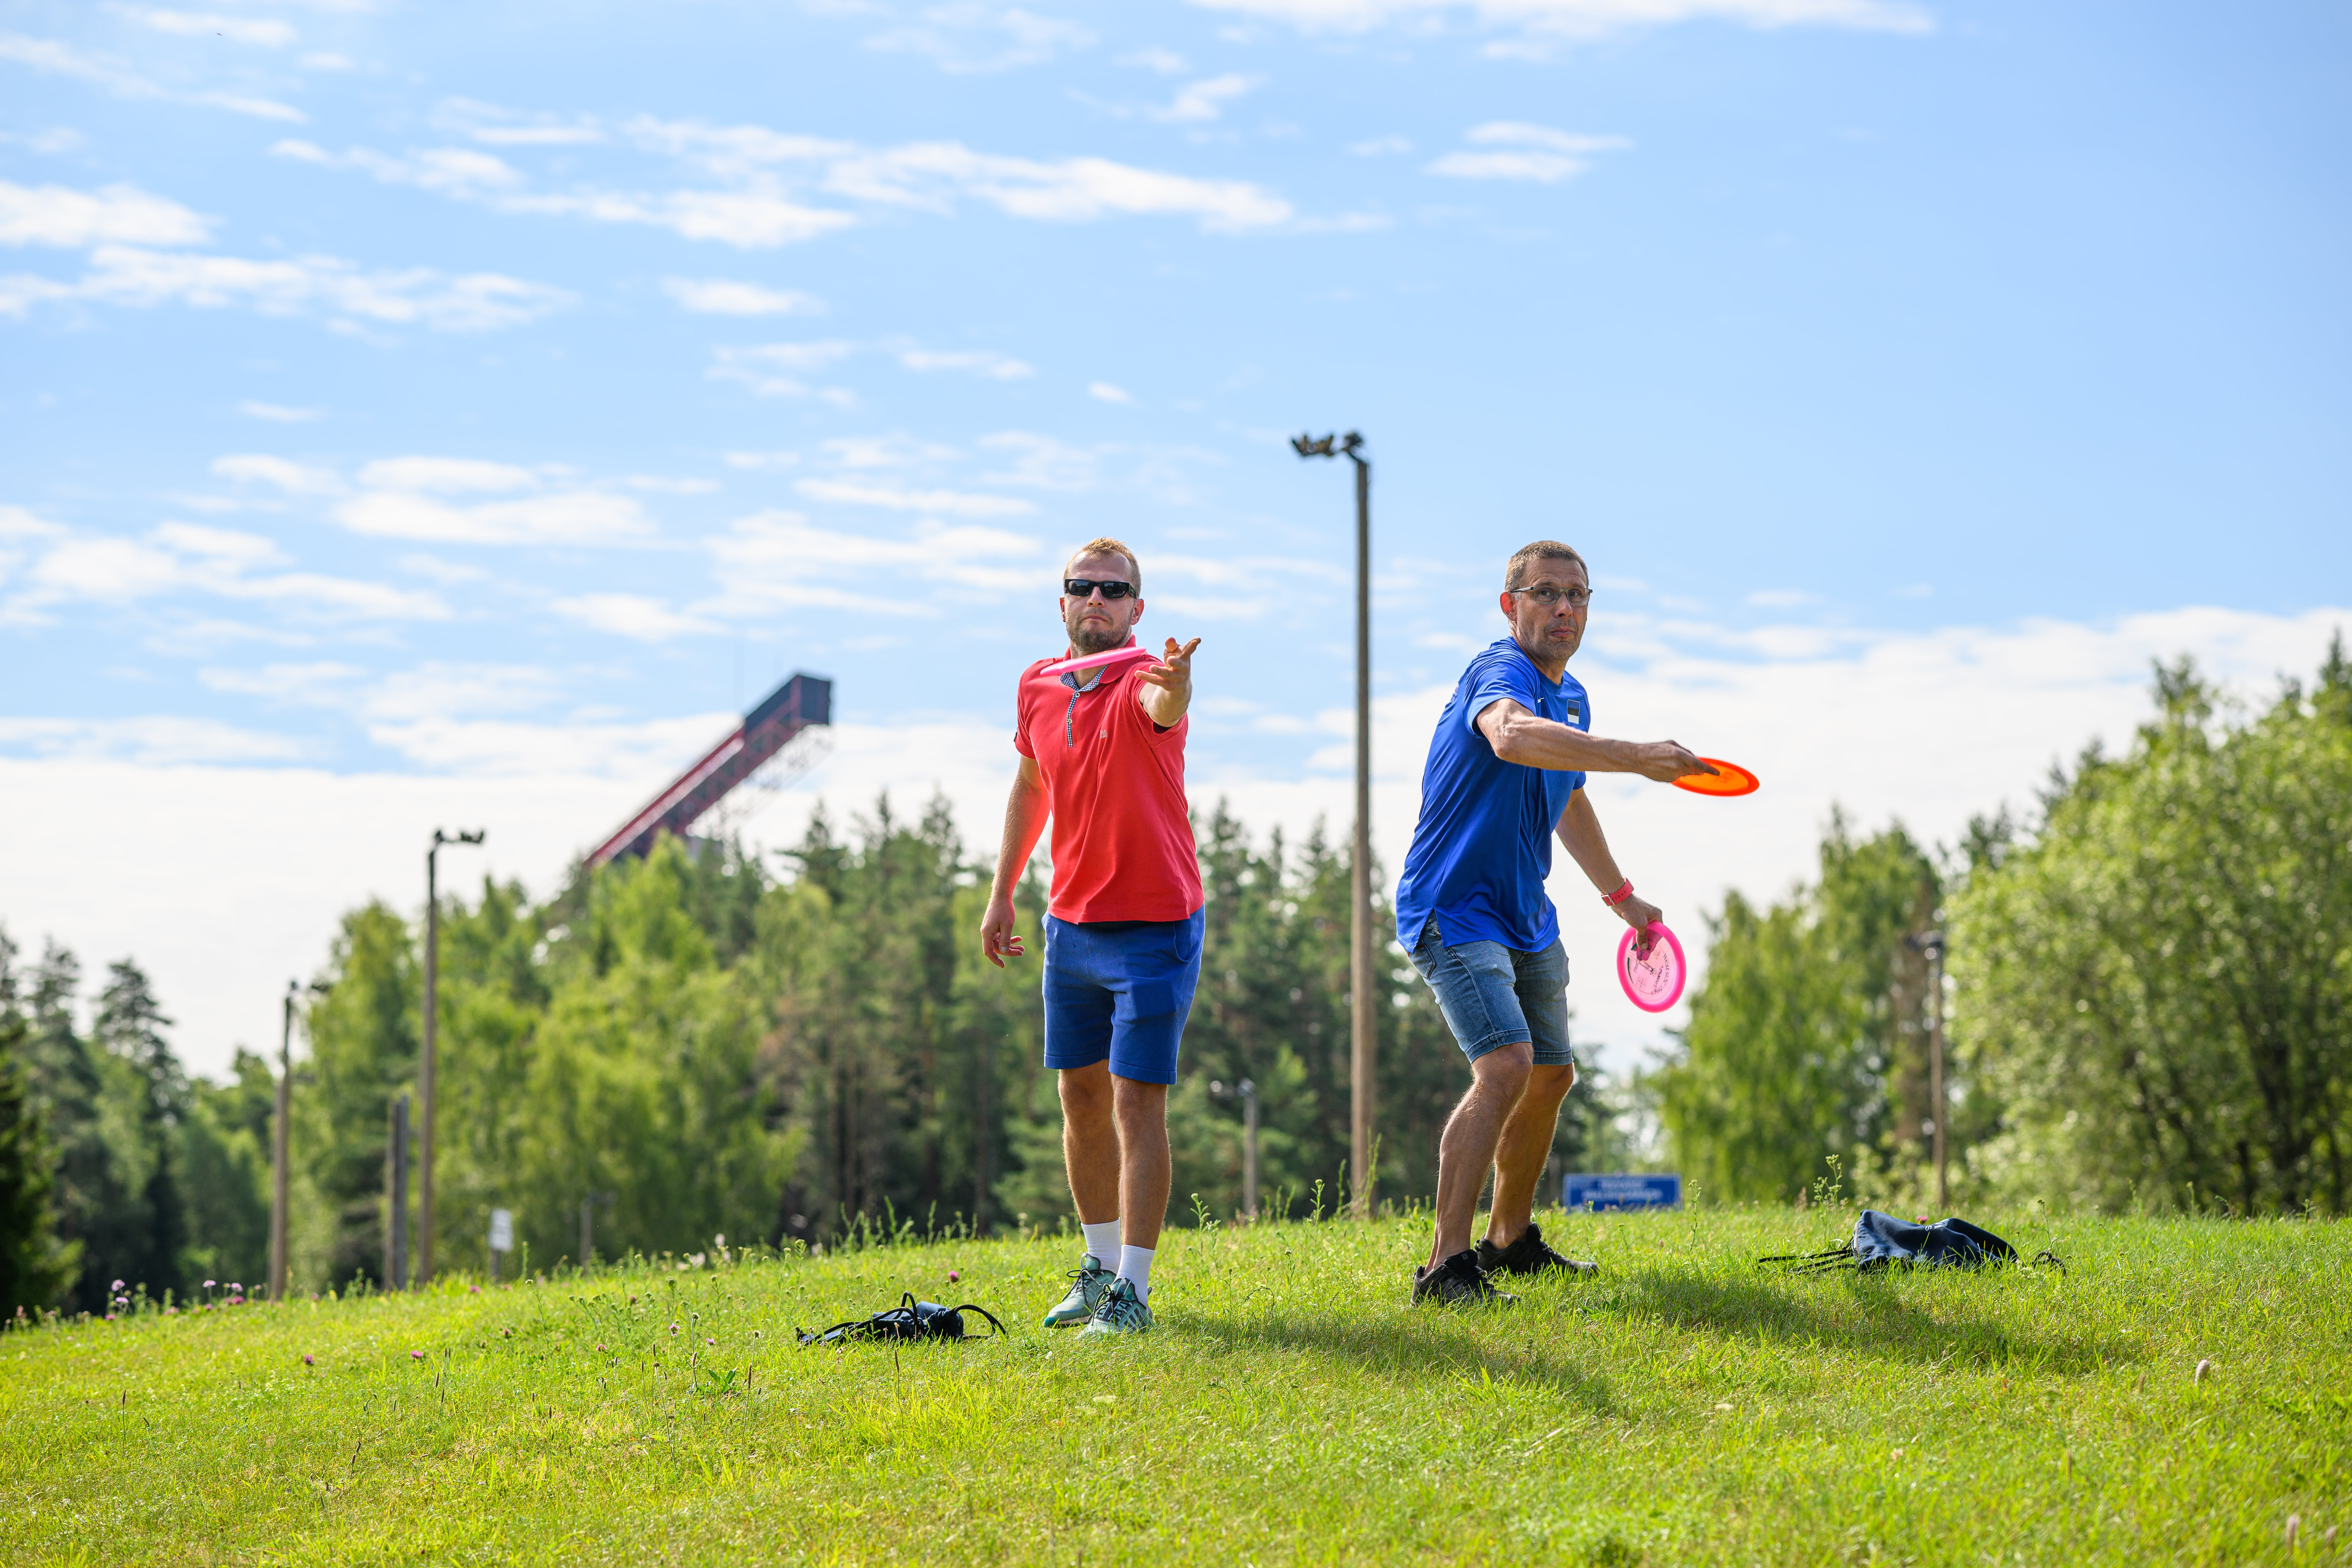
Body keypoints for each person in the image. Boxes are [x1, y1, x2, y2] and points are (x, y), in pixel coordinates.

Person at [1394, 540, 1711, 1306]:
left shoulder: (1574, 700)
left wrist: (1621, 896)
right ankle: (1445, 1267)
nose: (1564, 608)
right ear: (1511, 606)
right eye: (1545, 593)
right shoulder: (1498, 672)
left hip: (1526, 914)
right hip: (1453, 907)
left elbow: (1567, 797)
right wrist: (1636, 756)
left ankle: (1508, 1241)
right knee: (1505, 1066)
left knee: (1551, 1074)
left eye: (1577, 595)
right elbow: (1509, 736)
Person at [980, 537, 1203, 1337]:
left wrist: (1177, 686)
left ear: (1137, 608)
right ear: (1064, 602)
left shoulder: (1147, 678)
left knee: (1136, 1103)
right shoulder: (1037, 684)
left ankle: (1132, 1294)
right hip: (1069, 925)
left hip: (1155, 924)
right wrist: (1003, 892)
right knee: (1079, 1097)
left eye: (1114, 590)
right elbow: (1032, 785)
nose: (1097, 600)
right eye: (1084, 587)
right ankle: (1100, 1268)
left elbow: (1164, 709)